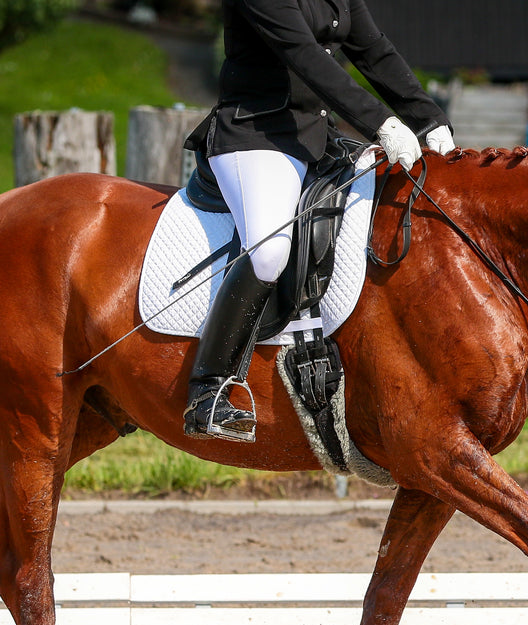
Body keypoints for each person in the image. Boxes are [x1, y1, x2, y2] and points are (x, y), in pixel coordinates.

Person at [182, 0, 457, 442]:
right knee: (270, 250)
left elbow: (374, 51)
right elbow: (304, 57)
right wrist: (383, 123)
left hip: (317, 137)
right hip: (255, 135)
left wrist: (429, 118)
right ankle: (207, 391)